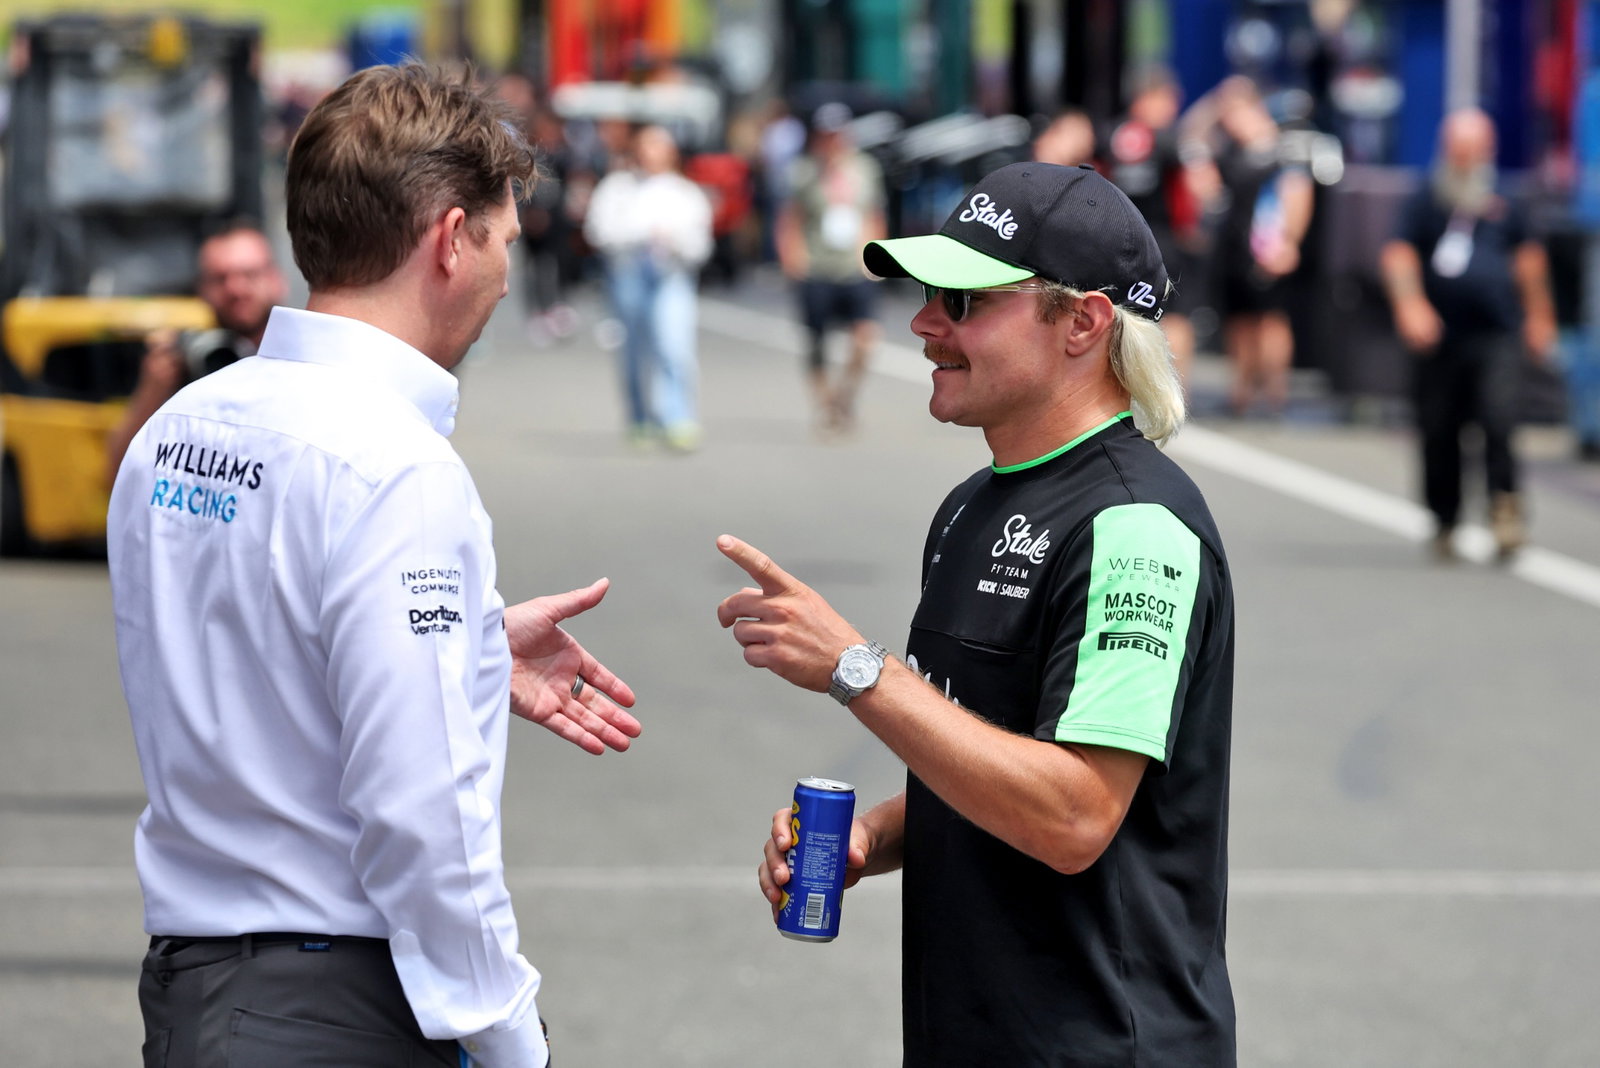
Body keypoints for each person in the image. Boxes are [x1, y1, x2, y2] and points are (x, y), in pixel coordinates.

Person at [107, 63, 642, 1068]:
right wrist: (510, 1035)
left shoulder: (175, 430)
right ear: (450, 238)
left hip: (194, 990)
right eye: (502, 240)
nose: (503, 273)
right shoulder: (395, 467)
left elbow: (241, 648)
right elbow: (422, 812)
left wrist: (466, 651)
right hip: (336, 1008)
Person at [718, 162, 1236, 1065]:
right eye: (927, 292)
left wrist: (858, 672)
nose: (923, 324)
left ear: (1084, 321)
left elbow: (1073, 815)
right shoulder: (971, 504)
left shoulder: (1135, 527)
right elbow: (995, 753)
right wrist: (873, 837)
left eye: (962, 300)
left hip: (1104, 1043)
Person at [1381, 106, 1557, 560]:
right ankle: (1445, 517)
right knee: (1439, 427)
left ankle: (1505, 507)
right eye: (1456, 152)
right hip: (1440, 338)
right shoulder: (1426, 200)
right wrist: (1411, 305)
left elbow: (1529, 262)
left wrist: (1540, 317)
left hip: (1496, 333)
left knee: (1499, 419)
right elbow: (1399, 253)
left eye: (1471, 152)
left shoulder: (1508, 203)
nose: (1463, 161)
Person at [104, 221, 288, 483]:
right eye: (220, 278)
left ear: (277, 280)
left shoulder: (299, 357)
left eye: (249, 274)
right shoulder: (183, 362)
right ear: (201, 290)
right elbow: (117, 471)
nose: (235, 289)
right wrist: (152, 390)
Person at [1188, 76, 1314, 418]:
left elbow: (1298, 194)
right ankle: (1242, 391)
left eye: (1236, 112)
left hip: (1267, 246)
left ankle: (1275, 394)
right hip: (1233, 248)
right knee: (1239, 321)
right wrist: (1215, 103)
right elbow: (1192, 136)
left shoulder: (1278, 149)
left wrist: (1289, 242)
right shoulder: (1230, 150)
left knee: (1270, 320)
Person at [584, 123, 713, 451]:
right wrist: (639, 235)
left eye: (660, 146)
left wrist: (676, 242)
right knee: (633, 351)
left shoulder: (686, 192)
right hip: (628, 276)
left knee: (674, 346)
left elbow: (701, 243)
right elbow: (598, 231)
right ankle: (639, 416)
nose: (652, 153)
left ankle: (677, 417)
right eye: (646, 146)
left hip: (671, 277)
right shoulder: (617, 188)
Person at [777, 101, 887, 435]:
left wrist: (875, 257)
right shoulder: (804, 172)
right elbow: (791, 218)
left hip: (854, 266)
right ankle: (826, 404)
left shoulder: (865, 170)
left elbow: (873, 215)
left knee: (866, 337)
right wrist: (792, 258)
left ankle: (844, 396)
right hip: (817, 265)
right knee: (816, 341)